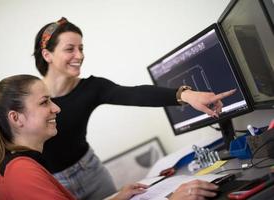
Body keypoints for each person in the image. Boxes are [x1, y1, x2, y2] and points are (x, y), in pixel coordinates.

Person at [33, 17, 234, 200]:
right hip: (54, 183)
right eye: (70, 49)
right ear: (47, 55)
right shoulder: (28, 97)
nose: (79, 55)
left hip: (92, 172)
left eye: (81, 48)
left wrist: (186, 95)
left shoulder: (92, 87)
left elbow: (135, 94)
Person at [0, 74, 149, 200]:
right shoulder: (21, 172)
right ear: (16, 118)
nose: (56, 108)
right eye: (44, 102)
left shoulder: (22, 166)